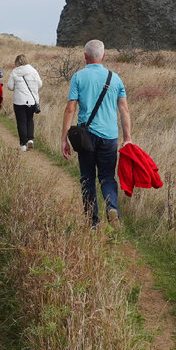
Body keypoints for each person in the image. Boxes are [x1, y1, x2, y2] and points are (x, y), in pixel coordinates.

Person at [61, 39, 131, 228]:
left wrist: (64, 139)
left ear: (85, 56)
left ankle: (92, 222)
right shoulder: (115, 78)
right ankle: (112, 206)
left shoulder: (78, 77)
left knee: (87, 178)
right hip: (109, 136)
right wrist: (128, 139)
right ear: (104, 56)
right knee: (107, 177)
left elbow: (70, 109)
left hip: (86, 137)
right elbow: (124, 110)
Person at [6, 54, 43, 151]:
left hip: (19, 101)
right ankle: (30, 139)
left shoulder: (14, 72)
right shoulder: (33, 70)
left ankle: (23, 145)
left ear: (17, 62)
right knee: (30, 120)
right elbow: (40, 84)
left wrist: (16, 87)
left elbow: (10, 86)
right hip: (32, 100)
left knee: (21, 122)